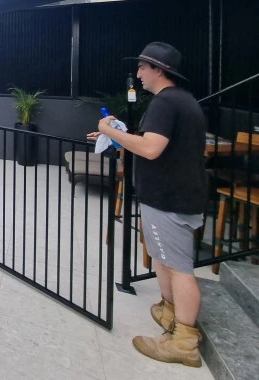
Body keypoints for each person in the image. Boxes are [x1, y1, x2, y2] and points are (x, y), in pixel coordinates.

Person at [88, 42, 207, 368]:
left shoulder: (166, 103)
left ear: (158, 70)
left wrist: (107, 129)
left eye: (142, 68)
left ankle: (184, 341)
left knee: (179, 268)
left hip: (171, 199)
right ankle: (168, 310)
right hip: (171, 197)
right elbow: (156, 143)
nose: (138, 74)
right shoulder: (177, 101)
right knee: (164, 259)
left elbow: (152, 149)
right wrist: (117, 135)